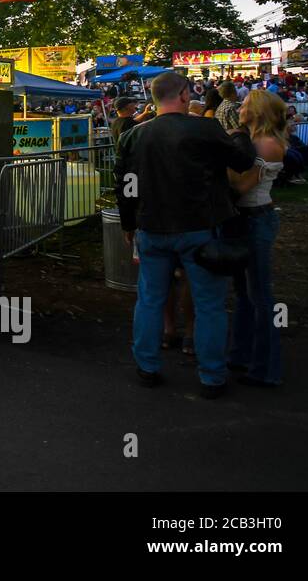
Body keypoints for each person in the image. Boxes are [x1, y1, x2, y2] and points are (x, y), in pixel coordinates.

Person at [115, 71, 256, 397]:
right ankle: (211, 376)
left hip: (151, 227)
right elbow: (244, 160)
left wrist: (127, 223)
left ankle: (147, 366)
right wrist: (239, 134)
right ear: (182, 95)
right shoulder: (204, 128)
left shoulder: (134, 136)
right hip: (198, 228)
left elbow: (124, 186)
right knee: (209, 304)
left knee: (149, 300)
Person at [226, 89, 286, 388]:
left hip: (257, 218)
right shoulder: (251, 141)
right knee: (244, 293)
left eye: (247, 103)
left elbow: (241, 187)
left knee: (260, 295)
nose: (241, 106)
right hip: (244, 220)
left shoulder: (267, 145)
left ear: (259, 110)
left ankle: (266, 367)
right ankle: (241, 354)